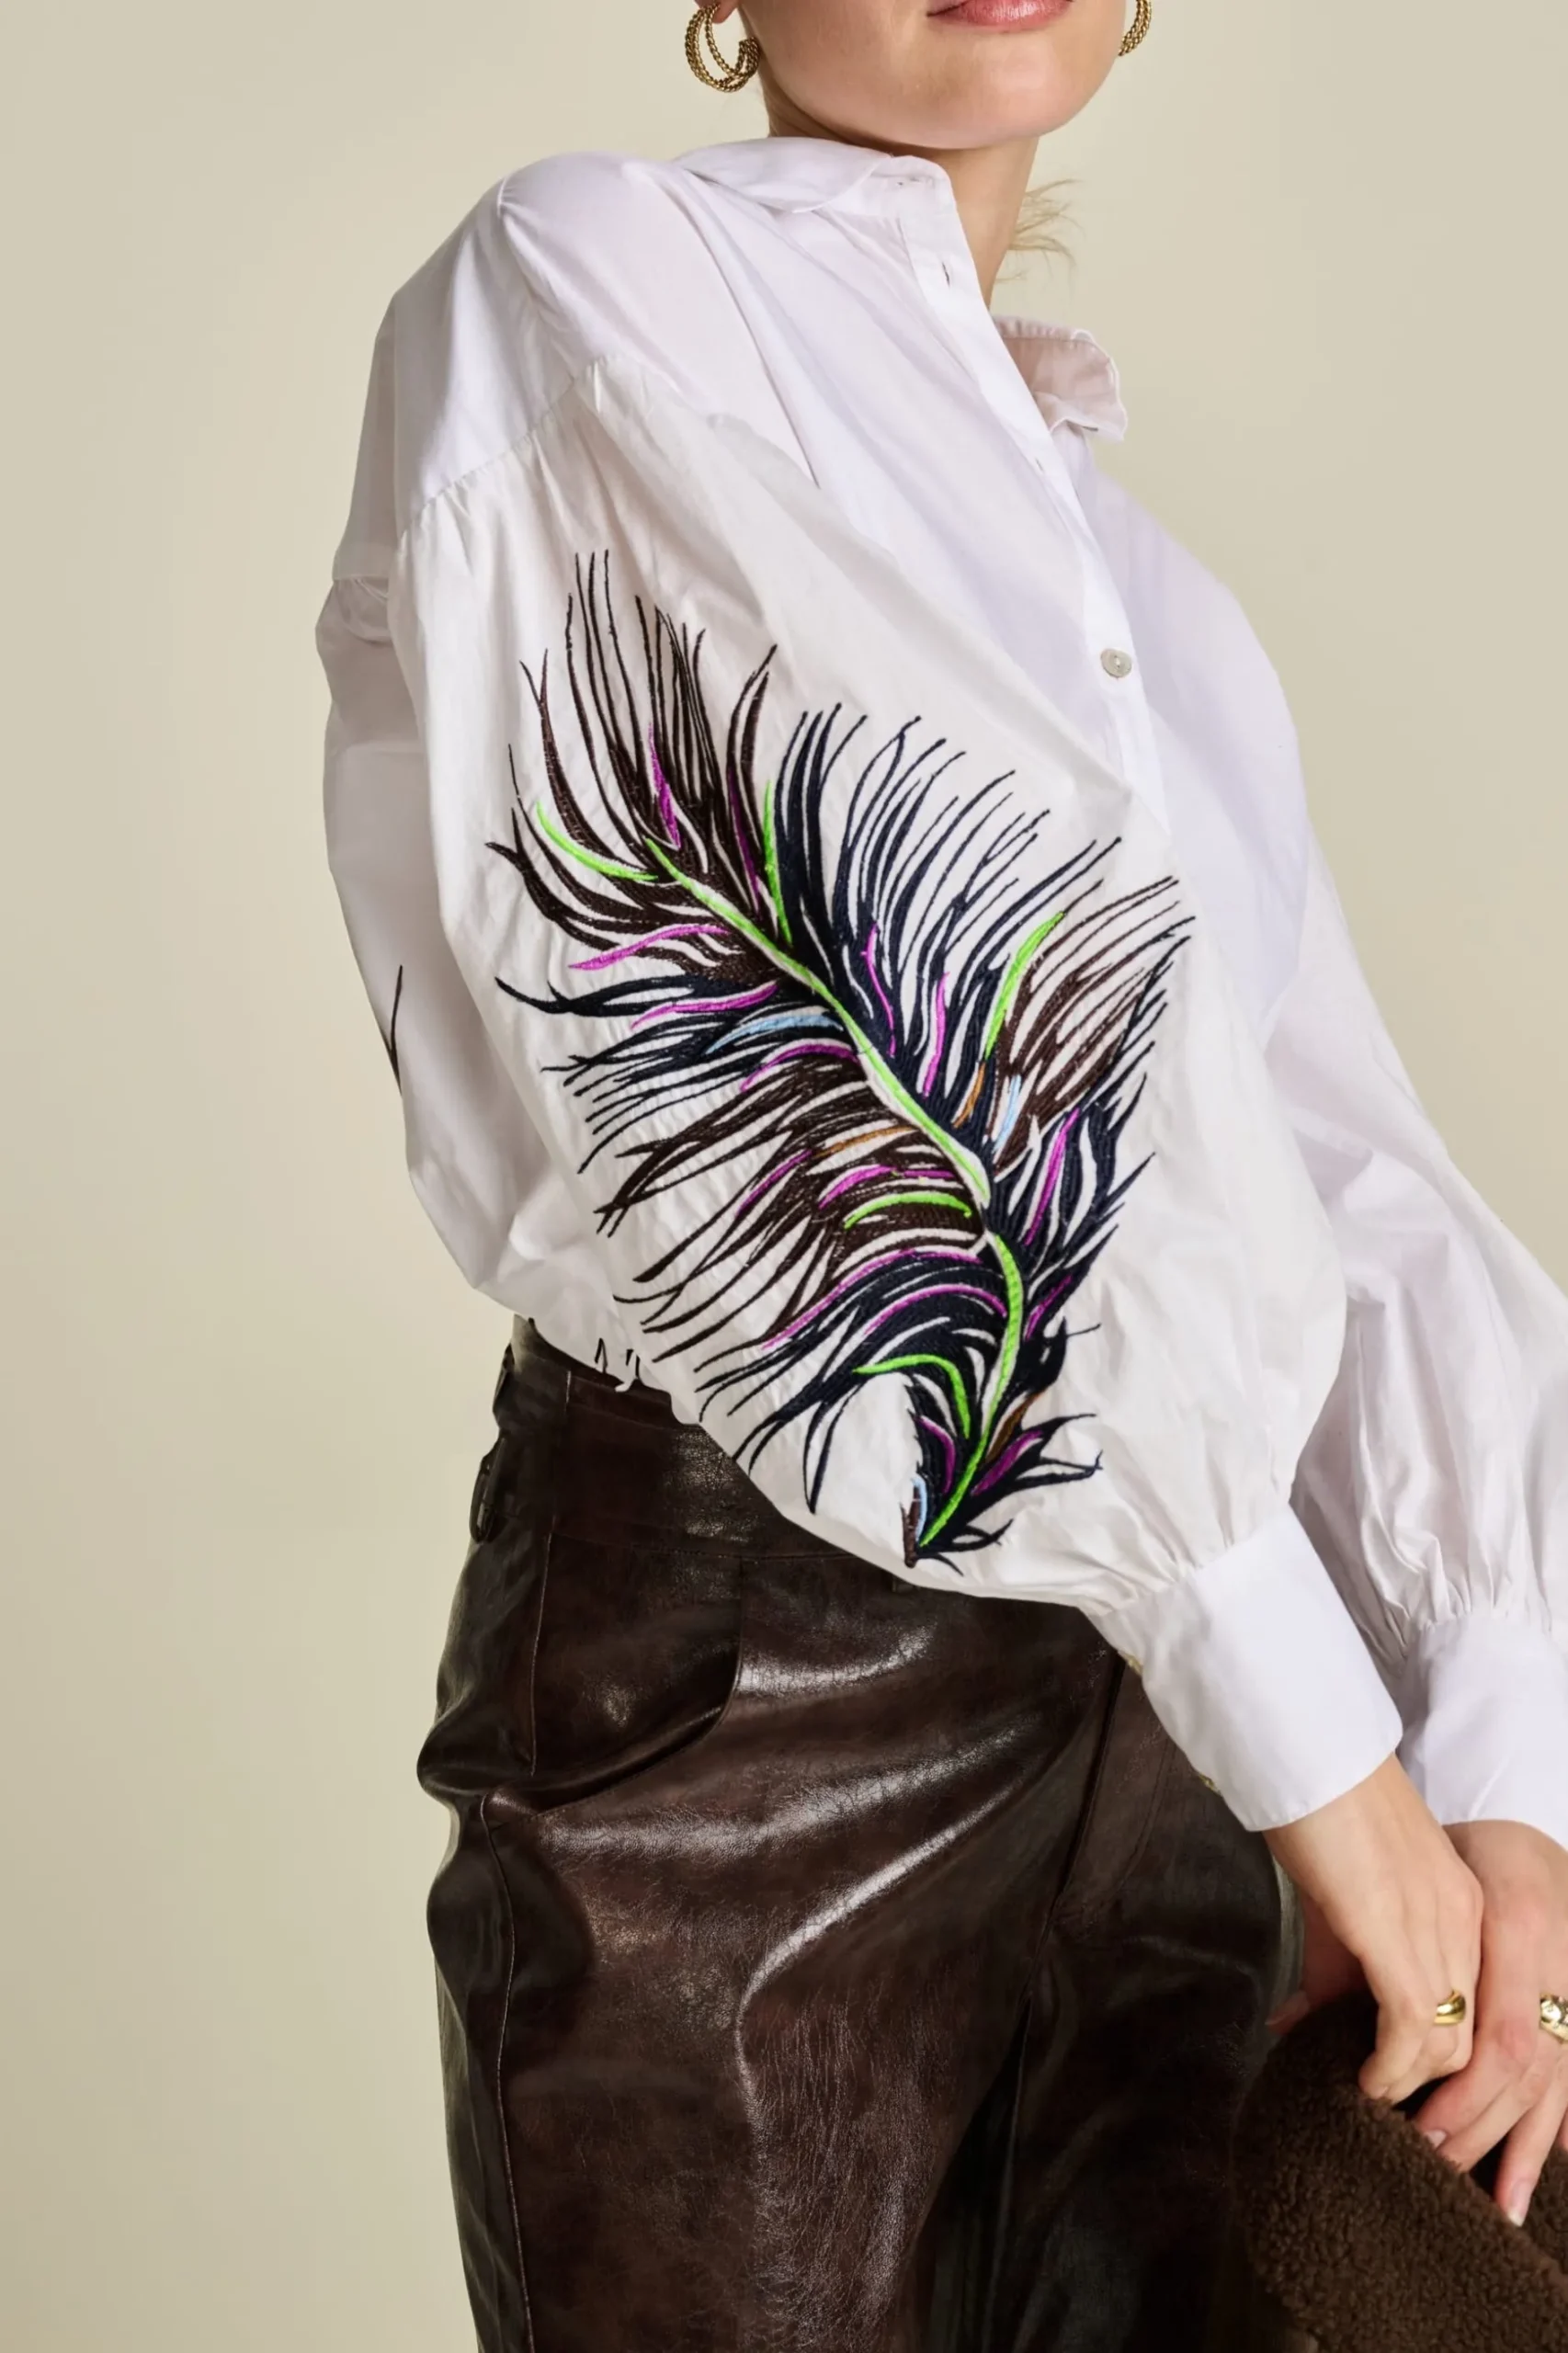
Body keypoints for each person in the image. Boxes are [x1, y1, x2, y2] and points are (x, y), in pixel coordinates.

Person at [314, 3, 1568, 2345]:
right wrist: (1325, 1744)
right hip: (763, 1712)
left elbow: (1333, 1176)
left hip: (1192, 1756)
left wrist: (1499, 1763)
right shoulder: (591, 290)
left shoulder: (1140, 595)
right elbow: (842, 1075)